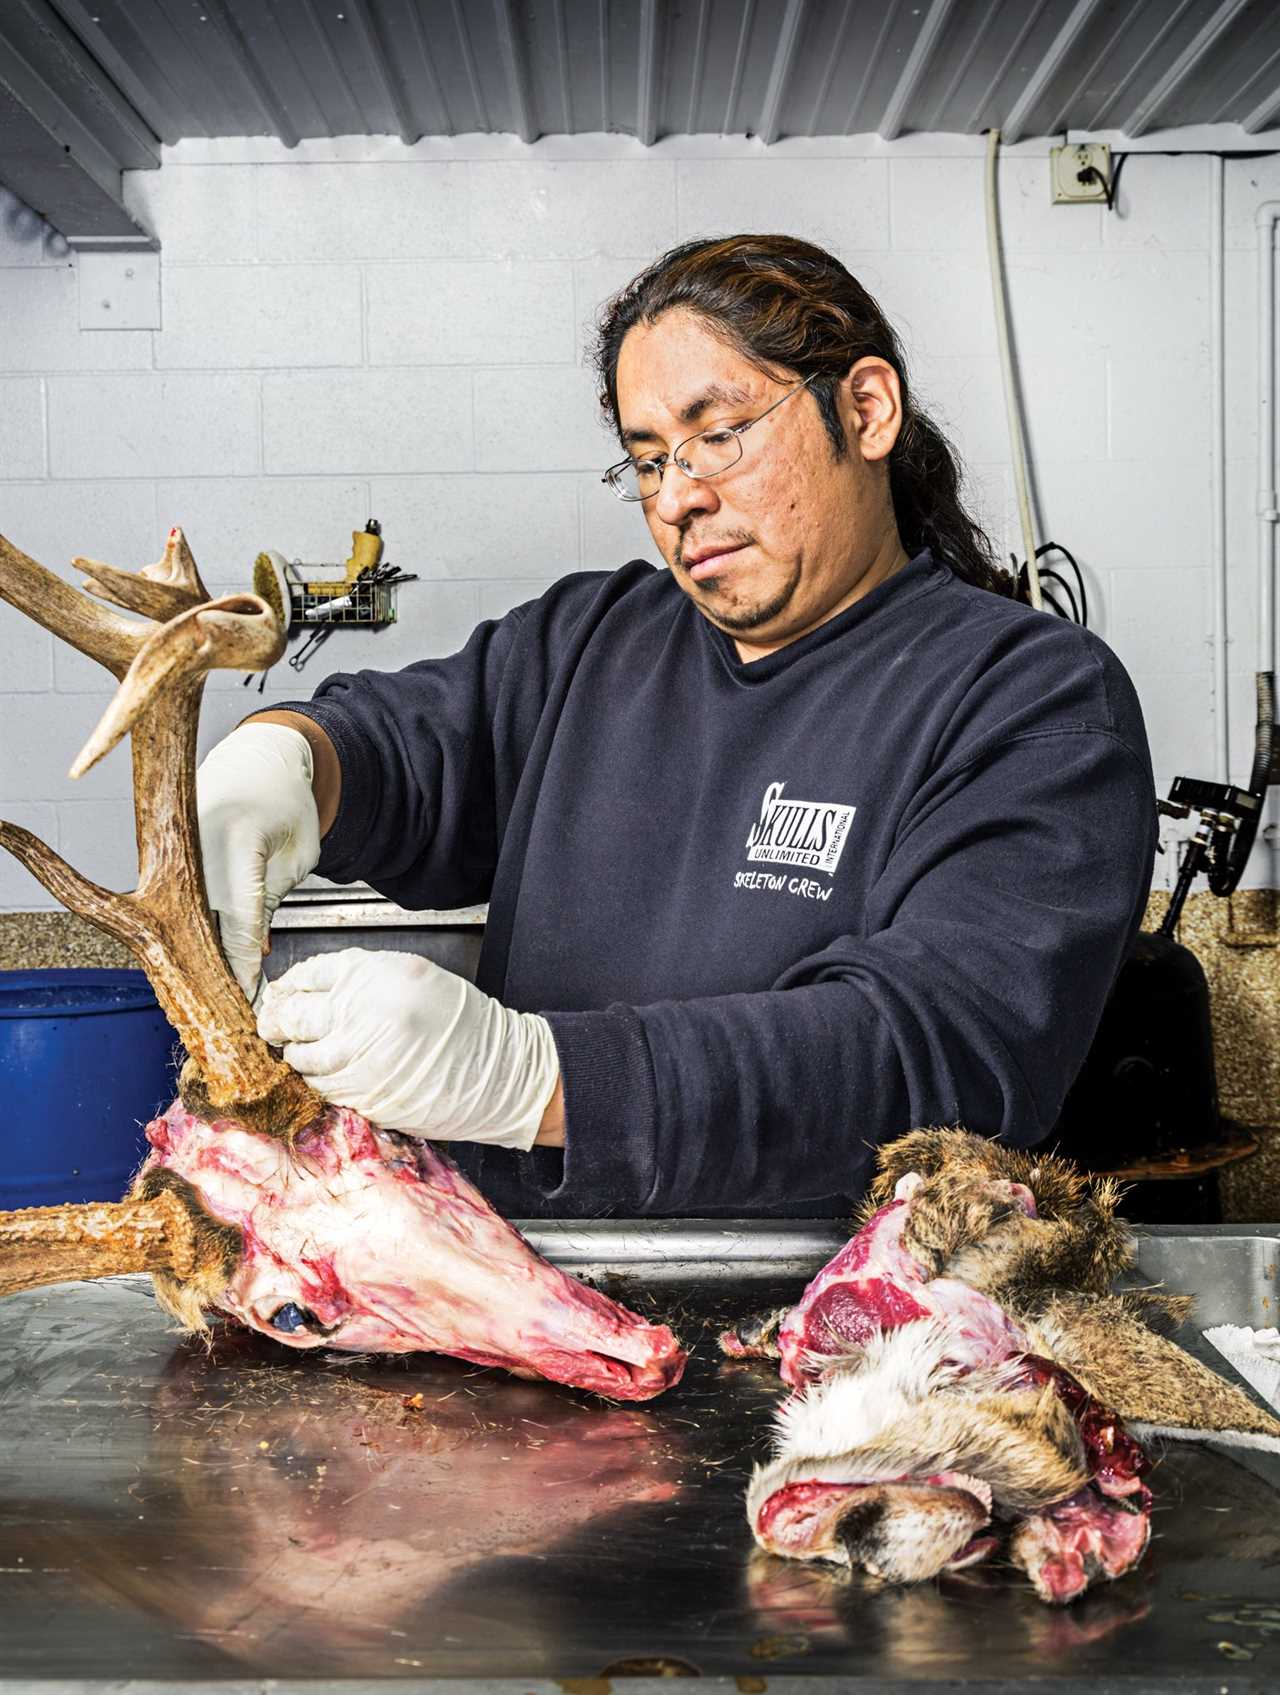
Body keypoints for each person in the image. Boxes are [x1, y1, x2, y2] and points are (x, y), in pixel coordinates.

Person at [196, 234, 1157, 1220]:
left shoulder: (1033, 699)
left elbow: (934, 1052)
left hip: (837, 1325)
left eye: (719, 434)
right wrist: (291, 759)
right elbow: (416, 746)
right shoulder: (591, 641)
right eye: (647, 460)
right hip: (530, 1295)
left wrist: (536, 1079)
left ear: (865, 410)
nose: (679, 497)